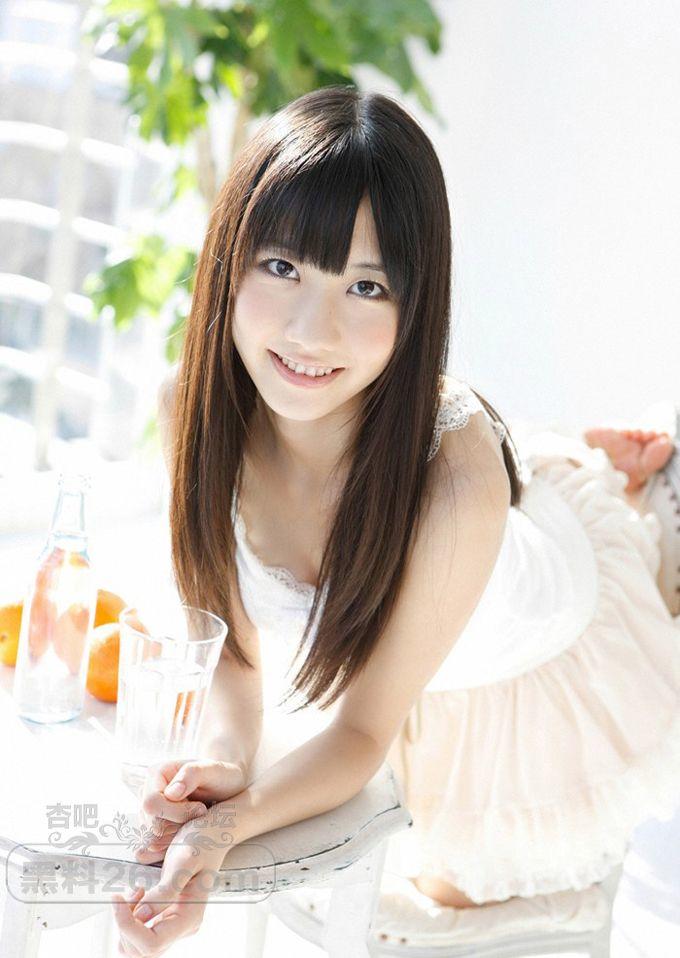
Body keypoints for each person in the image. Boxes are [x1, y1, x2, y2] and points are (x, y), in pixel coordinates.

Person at [111, 85, 680, 955]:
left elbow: (362, 729)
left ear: (417, 307)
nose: (312, 331)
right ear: (229, 256)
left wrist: (225, 830)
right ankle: (588, 459)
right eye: (283, 267)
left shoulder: (452, 481)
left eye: (366, 286)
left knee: (462, 900)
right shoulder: (187, 407)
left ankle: (629, 487)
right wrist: (223, 767)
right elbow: (232, 656)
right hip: (426, 597)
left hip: (538, 631)